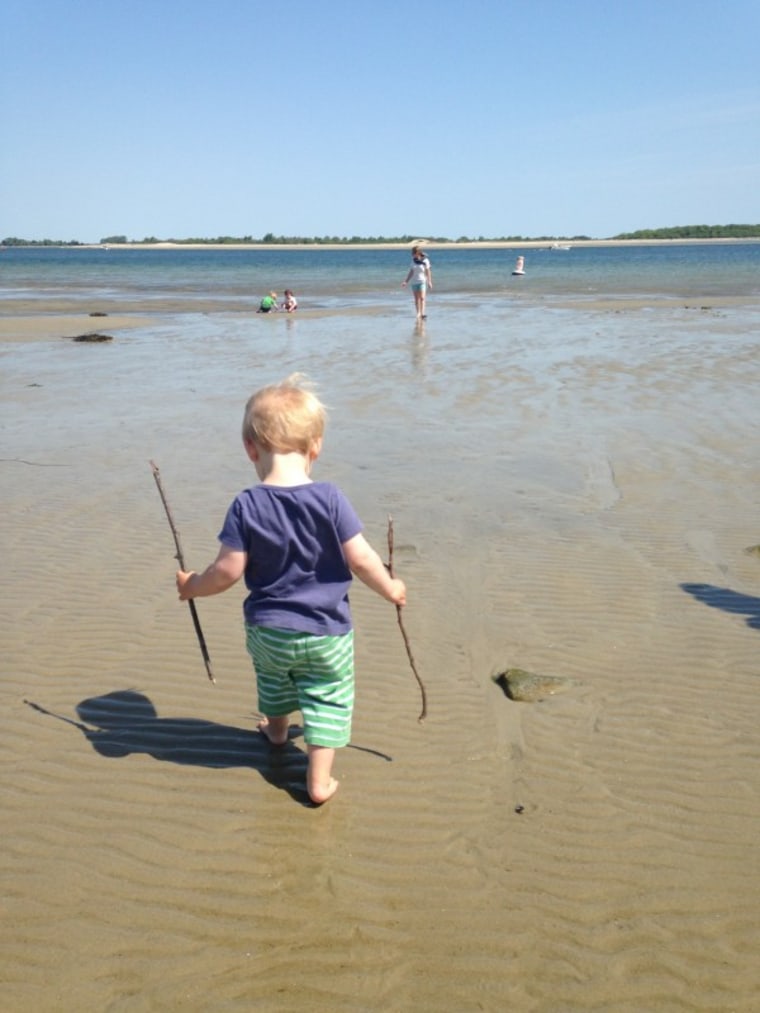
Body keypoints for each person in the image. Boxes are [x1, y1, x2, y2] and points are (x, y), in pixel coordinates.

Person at [175, 375, 407, 805]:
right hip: (327, 631)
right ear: (315, 447)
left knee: (275, 681)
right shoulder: (331, 499)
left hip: (268, 630)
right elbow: (361, 560)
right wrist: (390, 587)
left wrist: (191, 587)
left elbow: (226, 572)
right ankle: (317, 782)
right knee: (328, 696)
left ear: (250, 448)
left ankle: (277, 732)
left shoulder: (246, 504)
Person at [401, 245, 433, 318]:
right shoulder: (413, 261)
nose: (412, 255)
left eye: (413, 253)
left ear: (418, 253)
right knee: (416, 299)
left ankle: (423, 313)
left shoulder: (425, 260)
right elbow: (411, 272)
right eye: (412, 253)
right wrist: (405, 281)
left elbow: (428, 272)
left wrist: (429, 282)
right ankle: (418, 313)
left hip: (422, 281)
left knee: (422, 298)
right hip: (414, 282)